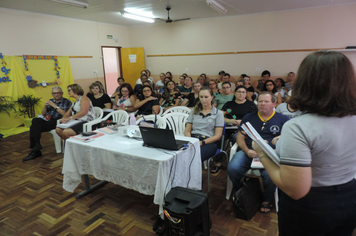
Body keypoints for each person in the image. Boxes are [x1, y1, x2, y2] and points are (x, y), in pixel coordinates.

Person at [252, 51, 356, 235]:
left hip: (311, 206)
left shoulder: (298, 126)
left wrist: (261, 152)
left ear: (305, 83)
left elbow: (295, 189)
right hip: (350, 197)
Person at [227, 92, 289, 214]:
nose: (262, 104)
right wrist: (246, 150)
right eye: (260, 101)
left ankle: (267, 198)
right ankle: (242, 191)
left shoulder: (283, 119)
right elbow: (240, 137)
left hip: (271, 154)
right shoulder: (249, 117)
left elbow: (287, 140)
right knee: (233, 168)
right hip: (249, 151)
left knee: (270, 175)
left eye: (266, 101)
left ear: (274, 103)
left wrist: (274, 151)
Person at [23, 86, 72, 161]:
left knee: (34, 127)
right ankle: (36, 146)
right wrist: (45, 107)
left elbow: (65, 114)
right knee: (35, 121)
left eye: (58, 93)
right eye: (54, 93)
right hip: (47, 119)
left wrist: (54, 106)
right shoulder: (50, 101)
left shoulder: (66, 101)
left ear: (62, 93)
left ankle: (35, 150)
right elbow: (43, 114)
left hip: (58, 120)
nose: (56, 95)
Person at [184, 87, 224, 162]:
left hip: (208, 141)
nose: (203, 99)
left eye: (206, 97)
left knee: (194, 157)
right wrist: (189, 140)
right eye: (201, 97)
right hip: (193, 138)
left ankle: (193, 173)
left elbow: (218, 136)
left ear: (212, 97)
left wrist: (201, 143)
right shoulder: (194, 111)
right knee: (179, 155)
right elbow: (187, 129)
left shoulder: (218, 113)